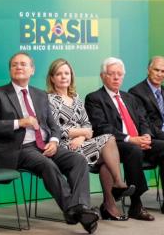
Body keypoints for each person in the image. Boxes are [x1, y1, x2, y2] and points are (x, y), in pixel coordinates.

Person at [0, 52, 99, 234]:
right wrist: (20, 122)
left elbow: (54, 126)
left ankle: (80, 208)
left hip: (44, 145)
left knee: (78, 160)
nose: (19, 67)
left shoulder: (40, 95)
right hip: (17, 149)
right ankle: (76, 210)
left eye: (23, 64)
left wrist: (53, 141)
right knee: (47, 164)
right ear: (10, 70)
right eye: (14, 65)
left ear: (32, 70)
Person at [46, 58, 134, 221]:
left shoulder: (77, 99)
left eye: (67, 73)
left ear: (71, 76)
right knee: (107, 150)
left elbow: (88, 126)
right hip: (65, 147)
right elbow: (54, 129)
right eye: (59, 74)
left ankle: (112, 200)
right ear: (52, 78)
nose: (63, 77)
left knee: (108, 140)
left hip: (80, 143)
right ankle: (117, 188)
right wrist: (82, 133)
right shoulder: (48, 100)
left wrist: (81, 136)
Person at [84, 57, 164, 221]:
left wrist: (145, 135)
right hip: (115, 146)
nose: (116, 78)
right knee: (134, 150)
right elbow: (102, 127)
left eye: (119, 74)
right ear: (103, 76)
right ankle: (136, 205)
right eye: (112, 74)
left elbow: (143, 120)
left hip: (137, 141)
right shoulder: (94, 98)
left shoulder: (130, 98)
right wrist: (131, 139)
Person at [129, 55, 164, 213]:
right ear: (148, 70)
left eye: (163, 71)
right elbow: (144, 123)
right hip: (149, 141)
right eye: (156, 70)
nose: (160, 74)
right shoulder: (136, 92)